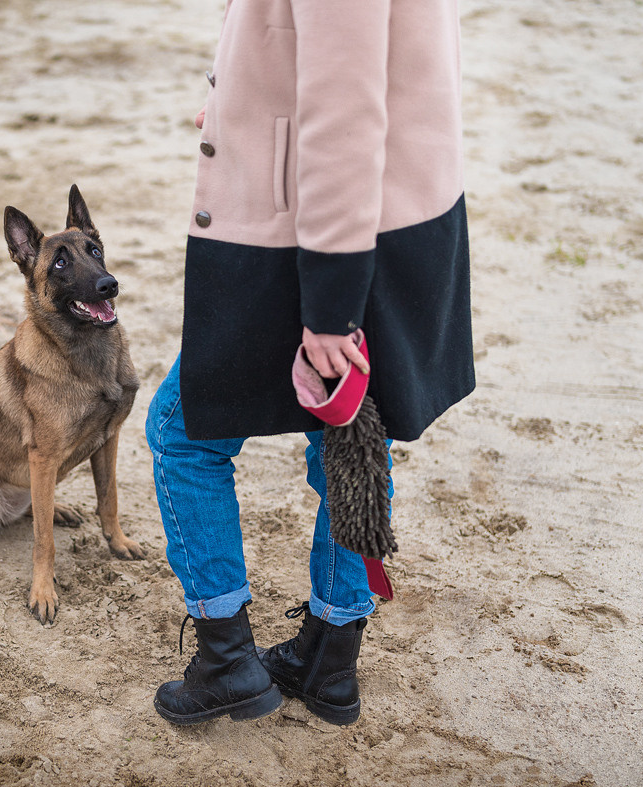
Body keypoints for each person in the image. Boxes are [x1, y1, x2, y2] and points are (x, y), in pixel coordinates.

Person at [146, 0, 474, 726]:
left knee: (181, 430)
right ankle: (330, 656)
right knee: (353, 432)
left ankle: (227, 657)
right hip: (384, 214)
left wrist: (331, 306)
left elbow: (343, 110)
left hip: (315, 233)